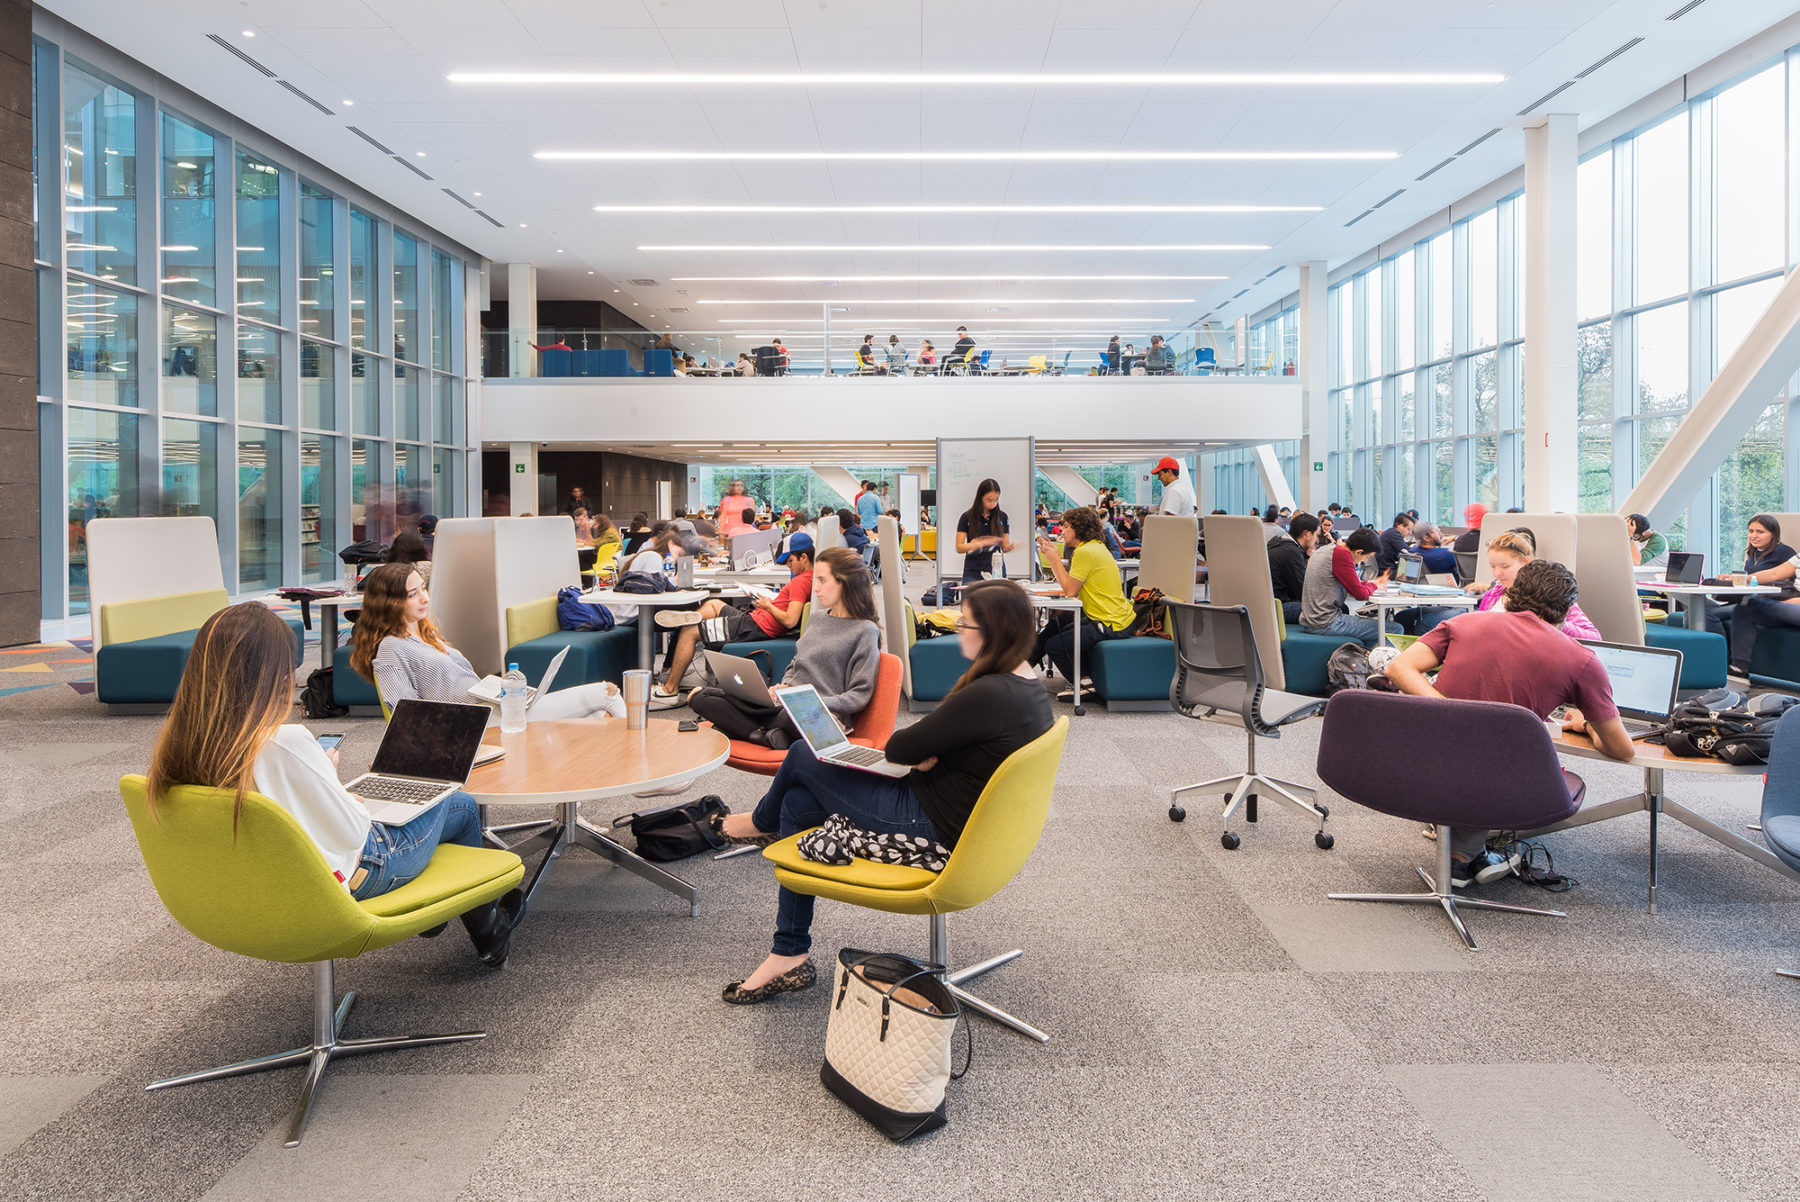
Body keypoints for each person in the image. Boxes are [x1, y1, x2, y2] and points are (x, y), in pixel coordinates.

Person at [714, 579, 1054, 1003]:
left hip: (922, 822)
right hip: (960, 816)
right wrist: (927, 753)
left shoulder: (988, 692)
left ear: (993, 631)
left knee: (802, 754)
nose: (957, 631)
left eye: (964, 623)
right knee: (799, 803)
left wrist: (921, 752)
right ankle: (789, 953)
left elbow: (899, 746)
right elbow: (924, 749)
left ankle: (756, 823)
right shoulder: (1028, 686)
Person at [147, 603, 528, 965]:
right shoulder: (286, 742)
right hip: (356, 873)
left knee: (421, 805)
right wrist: (334, 783)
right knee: (456, 803)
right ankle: (487, 929)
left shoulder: (184, 743)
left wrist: (323, 785)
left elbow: (270, 808)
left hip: (256, 883)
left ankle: (440, 918)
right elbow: (352, 834)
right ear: (269, 675)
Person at [1386, 560, 1633, 887]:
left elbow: (1397, 669)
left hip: (1422, 764)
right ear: (1567, 610)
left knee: (1477, 753)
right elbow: (1621, 749)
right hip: (1502, 782)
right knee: (1505, 759)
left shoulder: (1464, 623)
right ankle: (1462, 857)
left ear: (1511, 594)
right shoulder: (1581, 659)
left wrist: (1448, 711)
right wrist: (1587, 725)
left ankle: (1467, 856)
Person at [350, 563, 625, 720]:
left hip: (493, 708)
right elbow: (405, 716)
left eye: (423, 588)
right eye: (412, 594)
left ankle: (574, 809)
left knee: (597, 720)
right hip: (477, 723)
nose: (424, 598)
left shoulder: (425, 634)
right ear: (389, 601)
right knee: (606, 693)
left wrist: (499, 691)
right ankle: (644, 780)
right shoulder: (391, 649)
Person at [686, 548, 881, 749]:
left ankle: (742, 728)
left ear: (844, 583)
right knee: (700, 696)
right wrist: (785, 686)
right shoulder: (816, 619)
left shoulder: (865, 630)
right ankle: (762, 735)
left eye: (823, 580)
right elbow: (796, 664)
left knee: (795, 714)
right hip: (787, 705)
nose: (816, 588)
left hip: (817, 713)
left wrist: (811, 699)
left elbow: (859, 696)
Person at [652, 533, 814, 706]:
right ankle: (695, 617)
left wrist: (768, 606)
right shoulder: (810, 577)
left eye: (790, 561)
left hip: (756, 626)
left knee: (689, 632)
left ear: (803, 557)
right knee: (714, 604)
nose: (789, 566)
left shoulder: (800, 582)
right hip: (755, 619)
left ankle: (670, 690)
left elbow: (790, 619)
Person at [1034, 507, 1139, 694]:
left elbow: (1069, 590)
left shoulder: (1085, 552)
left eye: (1066, 526)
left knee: (1054, 645)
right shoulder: (1094, 547)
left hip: (1111, 623)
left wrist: (1054, 560)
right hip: (1114, 617)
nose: (1062, 531)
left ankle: (1084, 685)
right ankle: (1083, 677)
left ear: (1079, 528)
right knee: (1061, 626)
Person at [1463, 531, 1600, 639]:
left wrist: (1556, 622)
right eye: (1492, 566)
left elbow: (1594, 638)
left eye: (1505, 566)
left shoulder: (1549, 594)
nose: (1497, 573)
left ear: (1526, 561)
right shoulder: (1493, 594)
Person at [1724, 515, 1800, 670]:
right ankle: (1739, 669)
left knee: (1751, 604)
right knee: (1745, 607)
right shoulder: (1798, 557)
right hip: (1792, 606)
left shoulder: (1782, 551)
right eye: (1751, 531)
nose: (1754, 535)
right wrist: (1738, 579)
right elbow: (1772, 574)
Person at [1299, 525, 1385, 648]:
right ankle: (1379, 664)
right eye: (1367, 557)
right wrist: (1373, 585)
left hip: (1312, 619)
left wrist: (1371, 583)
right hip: (1326, 623)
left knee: (1373, 628)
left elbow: (1351, 584)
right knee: (1392, 628)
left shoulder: (1328, 549)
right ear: (1358, 552)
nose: (1365, 560)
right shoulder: (1341, 555)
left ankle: (1367, 660)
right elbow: (1360, 594)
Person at [955, 477, 1013, 582]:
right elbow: (959, 547)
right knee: (972, 598)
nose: (993, 504)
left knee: (998, 598)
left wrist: (1011, 547)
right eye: (989, 500)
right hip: (973, 570)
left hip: (996, 570)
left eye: (996, 500)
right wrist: (977, 544)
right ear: (980, 497)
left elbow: (1005, 547)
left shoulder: (1002, 517)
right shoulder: (967, 516)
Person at [1270, 513, 1318, 625]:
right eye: (1316, 535)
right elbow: (1302, 591)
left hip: (1271, 603)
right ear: (1307, 534)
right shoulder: (1291, 552)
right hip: (1279, 607)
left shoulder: (1278, 543)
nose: (1316, 541)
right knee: (1330, 609)